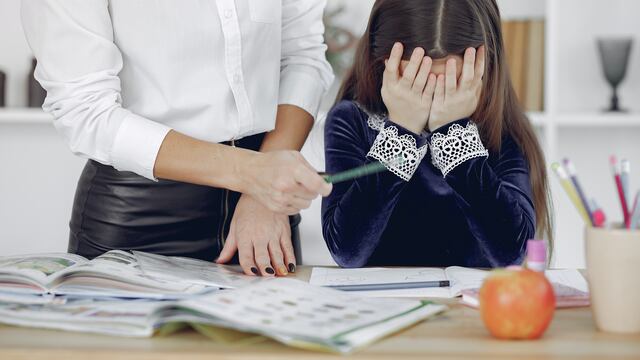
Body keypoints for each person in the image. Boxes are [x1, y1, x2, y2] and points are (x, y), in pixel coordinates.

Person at [21, 0, 334, 277]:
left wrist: (264, 194)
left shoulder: (264, 189)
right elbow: (87, 112)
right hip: (141, 220)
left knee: (269, 342)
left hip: (265, 214)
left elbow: (302, 56)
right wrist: (254, 175)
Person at [322, 0, 552, 268]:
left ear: (482, 69)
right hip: (383, 305)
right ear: (384, 64)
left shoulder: (500, 127)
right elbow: (346, 252)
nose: (432, 97)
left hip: (472, 306)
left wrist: (453, 131)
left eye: (449, 83)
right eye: (416, 81)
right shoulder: (352, 119)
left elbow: (512, 253)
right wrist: (402, 128)